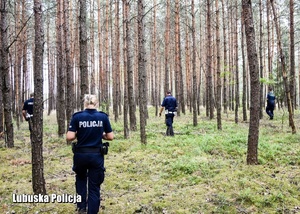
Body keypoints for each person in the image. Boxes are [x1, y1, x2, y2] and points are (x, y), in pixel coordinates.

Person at [66, 94, 114, 214]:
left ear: (85, 104)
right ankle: (92, 211)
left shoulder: (77, 117)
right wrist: (100, 135)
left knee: (81, 180)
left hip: (80, 155)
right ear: (96, 103)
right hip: (96, 156)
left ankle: (81, 207)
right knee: (94, 185)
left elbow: (69, 137)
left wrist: (79, 133)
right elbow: (110, 137)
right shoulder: (102, 117)